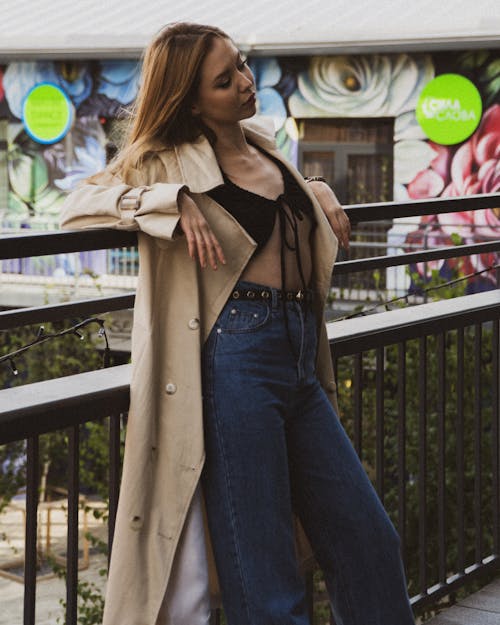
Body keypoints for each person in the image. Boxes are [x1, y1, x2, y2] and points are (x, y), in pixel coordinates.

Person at [60, 22, 415, 625]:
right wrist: (170, 200)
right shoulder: (165, 161)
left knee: (368, 540)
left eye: (242, 66)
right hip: (236, 359)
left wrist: (318, 187)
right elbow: (74, 205)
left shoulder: (265, 144)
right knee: (266, 574)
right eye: (225, 82)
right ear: (192, 100)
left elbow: (287, 204)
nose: (246, 84)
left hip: (300, 352)